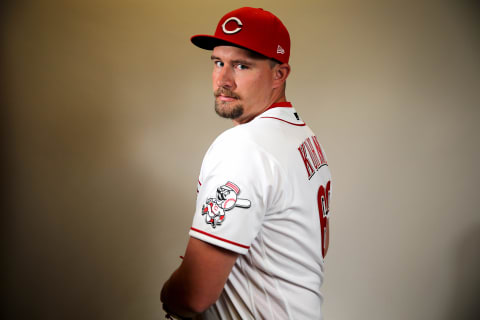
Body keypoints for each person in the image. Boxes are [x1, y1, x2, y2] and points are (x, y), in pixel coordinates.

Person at [161, 7, 332, 320]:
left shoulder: (245, 147)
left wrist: (169, 293)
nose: (223, 79)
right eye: (218, 62)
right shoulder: (299, 134)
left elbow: (193, 296)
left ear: (279, 74)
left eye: (241, 65)